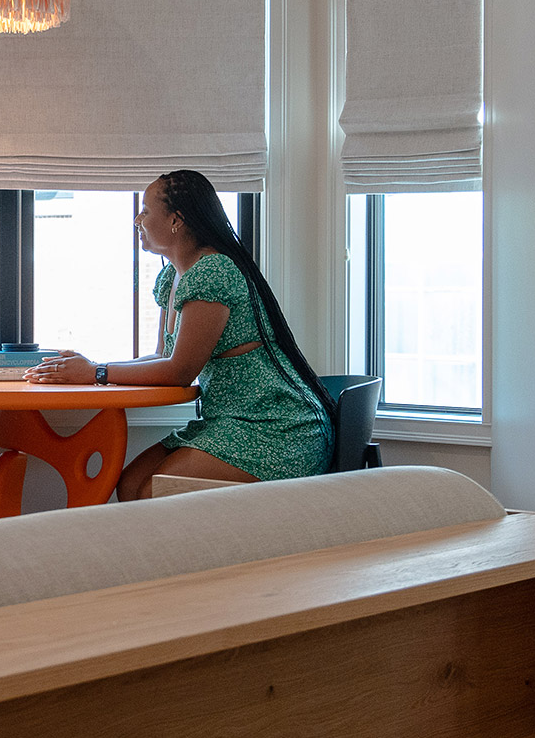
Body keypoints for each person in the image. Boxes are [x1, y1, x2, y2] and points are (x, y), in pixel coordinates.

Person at [25, 169, 335, 501]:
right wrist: (93, 367)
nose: (137, 219)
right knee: (130, 486)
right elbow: (162, 356)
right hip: (230, 420)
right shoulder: (174, 276)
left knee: (151, 492)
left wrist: (95, 373)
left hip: (275, 427)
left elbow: (181, 371)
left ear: (177, 219)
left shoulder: (213, 272)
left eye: (145, 209)